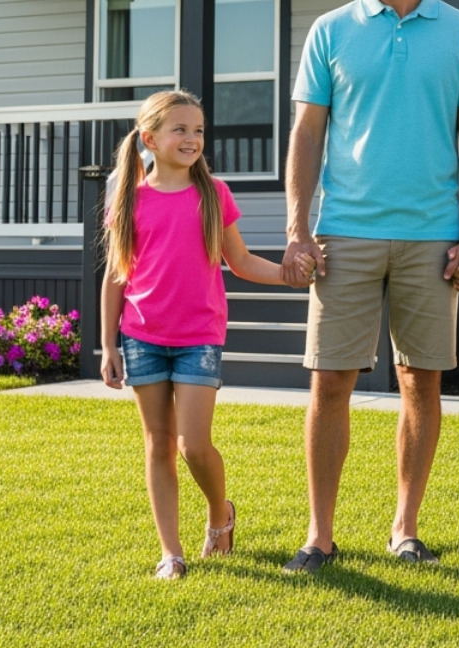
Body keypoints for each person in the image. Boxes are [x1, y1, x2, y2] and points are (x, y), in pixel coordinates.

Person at [279, 0, 459, 574]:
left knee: (420, 384)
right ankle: (319, 534)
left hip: (434, 236)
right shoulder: (332, 30)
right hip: (343, 234)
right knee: (329, 384)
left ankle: (405, 528)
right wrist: (297, 227)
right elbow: (307, 135)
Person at [99, 90, 314, 581]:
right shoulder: (130, 199)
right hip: (142, 336)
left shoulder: (213, 194)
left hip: (199, 335)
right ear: (150, 138)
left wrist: (288, 274)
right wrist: (110, 344)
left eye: (198, 130)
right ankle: (171, 553)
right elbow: (116, 275)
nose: (192, 139)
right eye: (180, 130)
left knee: (192, 445)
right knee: (157, 444)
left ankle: (221, 513)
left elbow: (239, 261)